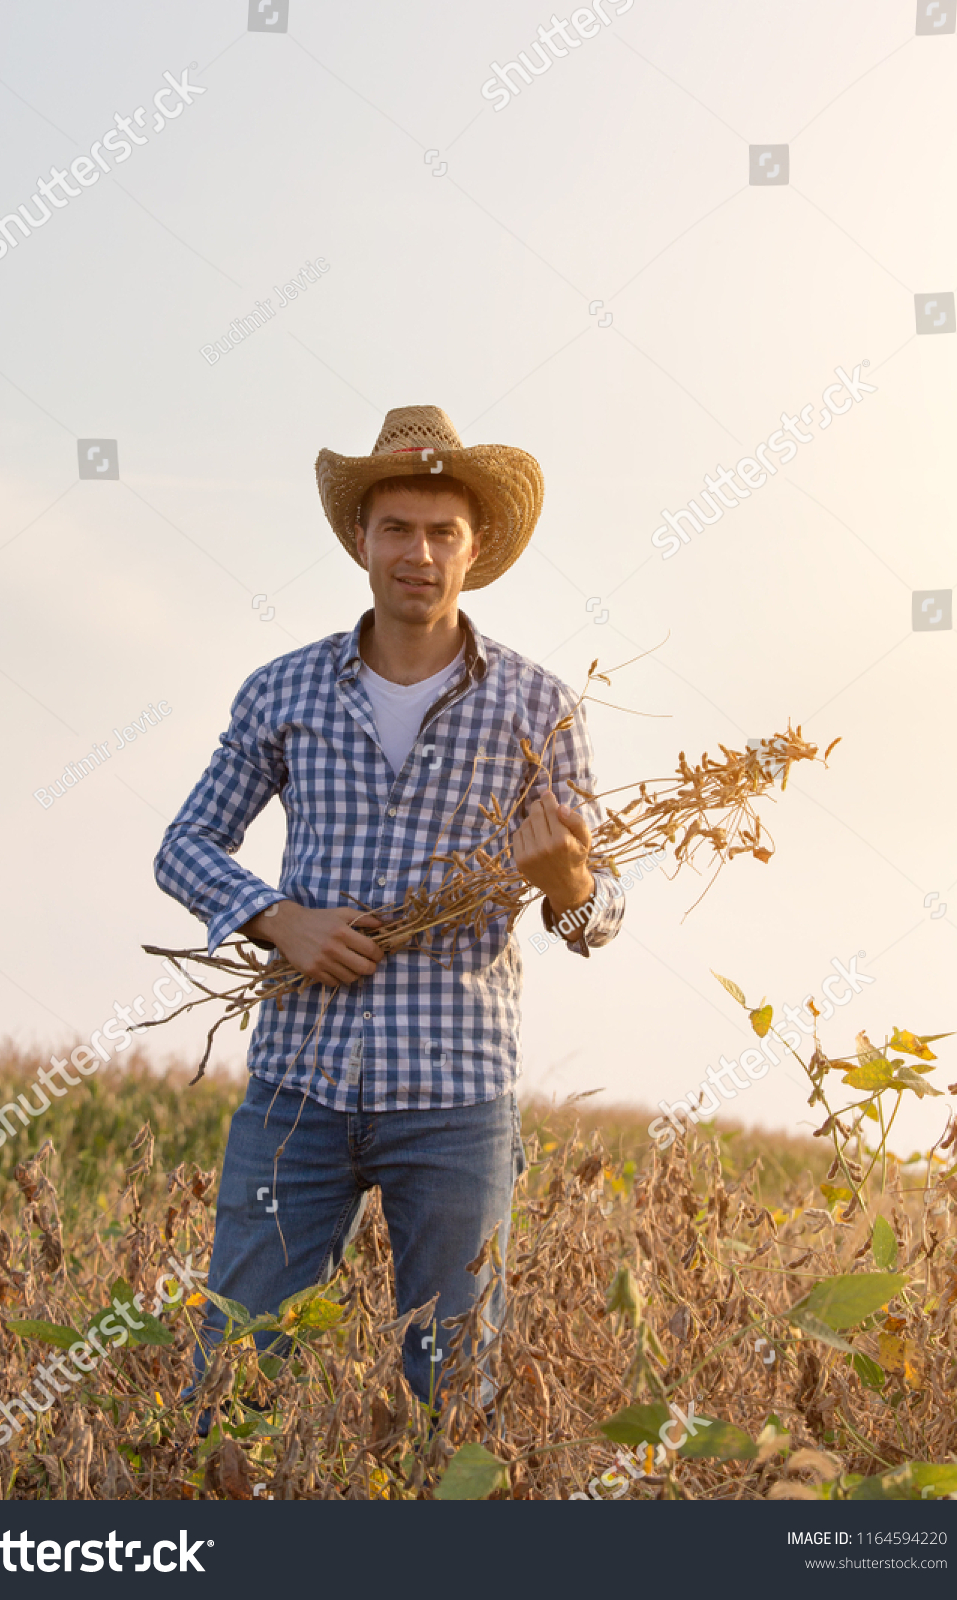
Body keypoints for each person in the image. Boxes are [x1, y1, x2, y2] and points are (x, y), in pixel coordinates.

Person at [154, 404, 624, 1415]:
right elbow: (184, 846)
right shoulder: (283, 691)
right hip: (296, 1090)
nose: (418, 552)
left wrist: (567, 885)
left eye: (440, 531)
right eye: (396, 528)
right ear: (360, 540)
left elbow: (599, 916)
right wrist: (279, 919)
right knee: (234, 1372)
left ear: (476, 546)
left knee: (449, 1388)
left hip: (455, 1098)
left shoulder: (536, 707)